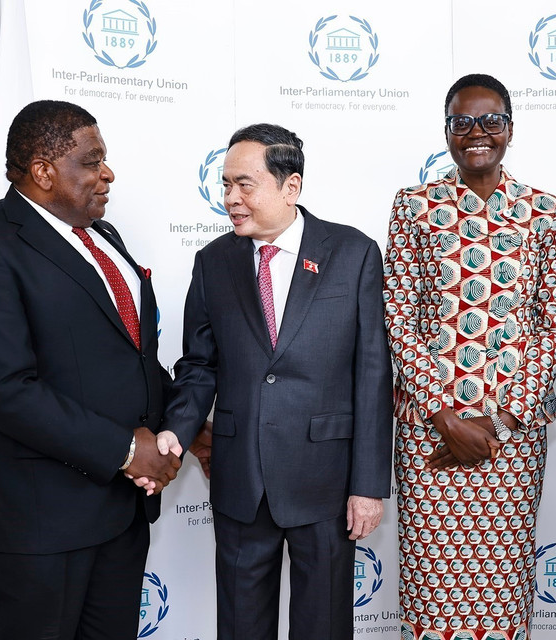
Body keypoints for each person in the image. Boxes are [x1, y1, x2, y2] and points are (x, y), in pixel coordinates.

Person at [0, 100, 180, 640]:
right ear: (44, 171)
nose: (107, 172)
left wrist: (182, 428)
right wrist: (124, 449)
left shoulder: (105, 238)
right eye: (92, 161)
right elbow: (4, 390)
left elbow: (131, 357)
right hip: (35, 524)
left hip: (119, 513)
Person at [153, 123, 393, 639]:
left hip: (326, 482)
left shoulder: (353, 253)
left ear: (291, 187)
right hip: (240, 479)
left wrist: (368, 486)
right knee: (241, 626)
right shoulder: (213, 262)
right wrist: (177, 426)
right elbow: (199, 365)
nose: (231, 199)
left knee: (323, 627)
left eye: (245, 184)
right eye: (225, 185)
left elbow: (373, 374)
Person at [383, 73, 556, 640]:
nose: (476, 133)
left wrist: (500, 419)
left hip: (509, 440)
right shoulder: (414, 206)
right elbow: (399, 313)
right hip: (430, 434)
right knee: (432, 590)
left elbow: (555, 320)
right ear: (446, 132)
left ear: (510, 129)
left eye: (490, 120)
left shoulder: (544, 211)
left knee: (503, 593)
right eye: (461, 122)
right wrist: (445, 415)